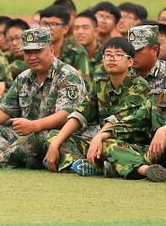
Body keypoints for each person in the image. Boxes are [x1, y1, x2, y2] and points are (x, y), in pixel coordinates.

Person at [0, 27, 87, 169]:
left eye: (38, 51)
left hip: (63, 139)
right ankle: (25, 159)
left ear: (51, 50)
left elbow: (65, 116)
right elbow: (1, 112)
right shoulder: (23, 78)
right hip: (28, 137)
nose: (32, 57)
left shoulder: (68, 76)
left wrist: (34, 125)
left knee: (38, 137)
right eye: (28, 52)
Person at [94, 49, 166, 181]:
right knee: (107, 143)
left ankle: (126, 167)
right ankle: (146, 171)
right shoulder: (155, 97)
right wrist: (102, 135)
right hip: (155, 153)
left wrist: (164, 129)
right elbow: (133, 122)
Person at [42, 36, 149, 174]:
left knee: (108, 145)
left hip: (130, 146)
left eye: (118, 55)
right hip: (100, 141)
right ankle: (82, 164)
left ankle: (96, 167)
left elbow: (118, 119)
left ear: (130, 62)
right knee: (55, 135)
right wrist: (55, 143)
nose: (111, 59)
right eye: (108, 55)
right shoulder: (100, 84)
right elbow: (80, 114)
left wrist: (99, 137)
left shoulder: (139, 85)